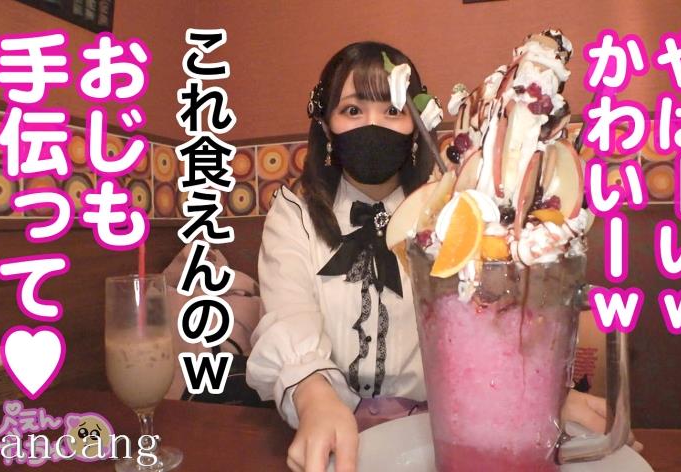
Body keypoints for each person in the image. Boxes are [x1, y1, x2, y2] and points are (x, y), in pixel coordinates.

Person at [246, 41, 625, 472]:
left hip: (442, 437)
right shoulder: (293, 214)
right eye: (352, 110)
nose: (373, 124)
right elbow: (288, 313)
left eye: (393, 110)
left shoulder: (455, 212)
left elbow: (494, 323)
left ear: (416, 123)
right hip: (330, 437)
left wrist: (539, 398)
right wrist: (314, 395)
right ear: (326, 126)